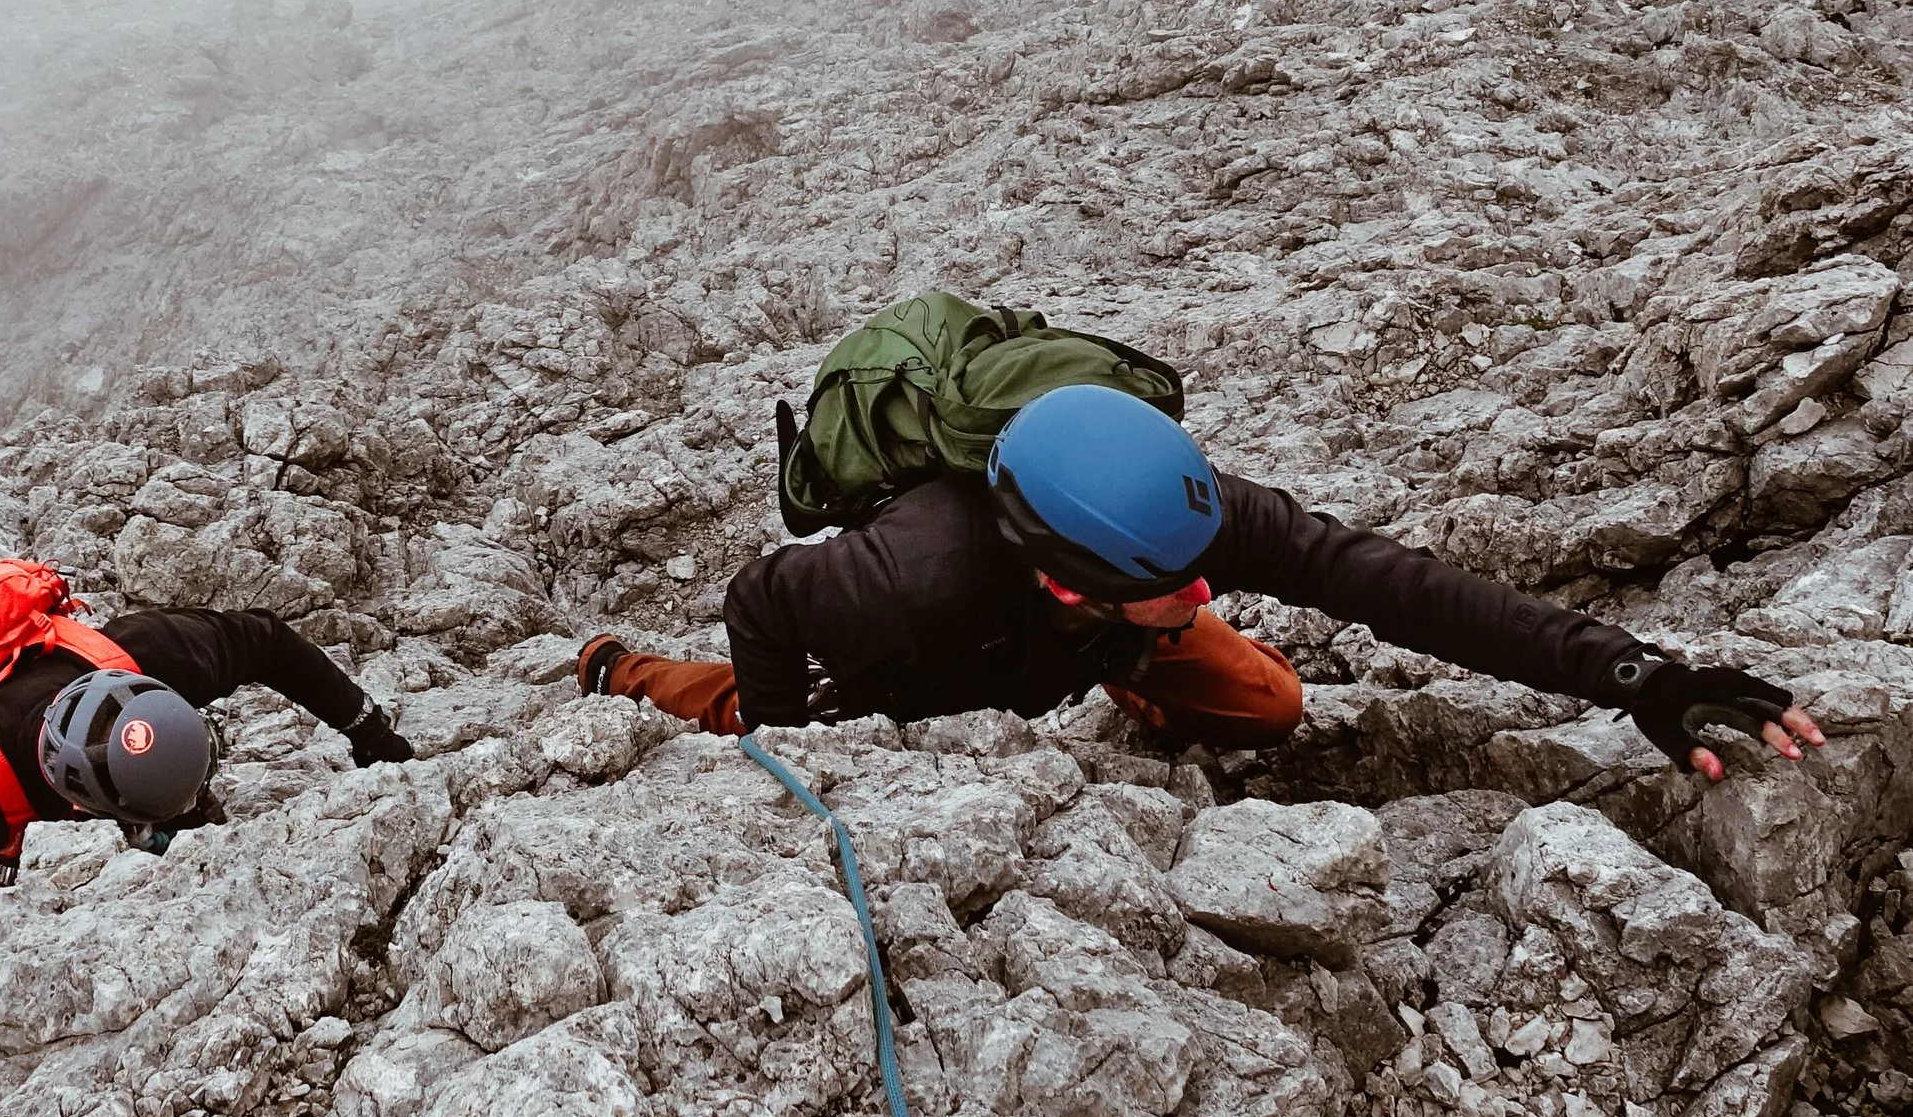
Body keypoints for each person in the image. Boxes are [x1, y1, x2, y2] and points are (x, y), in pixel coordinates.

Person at [576, 383, 1824, 786]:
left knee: (1271, 706)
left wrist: (1631, 673)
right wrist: (795, 760)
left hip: (1073, 639)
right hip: (940, 656)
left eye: (1201, 572)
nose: (1207, 588)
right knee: (760, 714)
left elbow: (1395, 586)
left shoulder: (1182, 519)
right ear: (1071, 579)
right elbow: (761, 598)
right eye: (1176, 585)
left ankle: (1126, 687)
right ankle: (621, 670)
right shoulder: (907, 583)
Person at [0, 601, 412, 887]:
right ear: (84, 810)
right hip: (0, 772)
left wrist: (372, 733)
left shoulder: (157, 652)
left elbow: (268, 640)